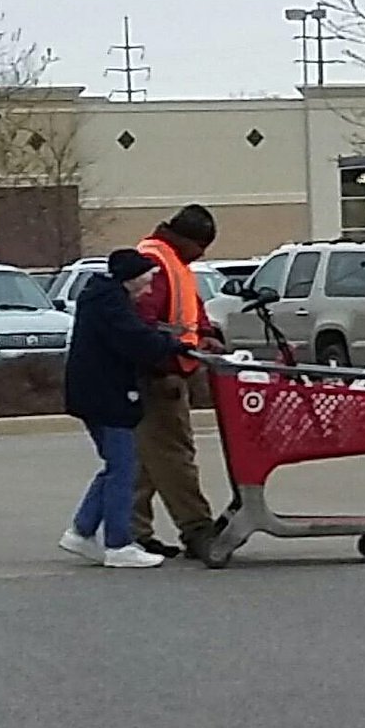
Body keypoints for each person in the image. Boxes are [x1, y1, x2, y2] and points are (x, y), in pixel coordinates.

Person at [60, 248, 187, 569]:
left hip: (93, 391)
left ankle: (81, 530)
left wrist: (165, 336)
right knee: (124, 466)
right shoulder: (111, 305)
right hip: (106, 393)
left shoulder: (104, 299)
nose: (147, 290)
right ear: (129, 280)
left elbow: (135, 333)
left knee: (115, 465)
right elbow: (136, 341)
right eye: (144, 283)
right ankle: (118, 543)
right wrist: (173, 347)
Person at [135, 204, 220, 562]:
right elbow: (143, 325)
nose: (203, 254)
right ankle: (197, 526)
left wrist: (207, 333)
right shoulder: (154, 263)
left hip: (169, 368)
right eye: (201, 246)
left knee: (145, 458)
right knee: (173, 455)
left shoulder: (174, 263)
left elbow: (188, 310)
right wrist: (162, 367)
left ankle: (130, 531)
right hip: (160, 374)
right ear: (188, 239)